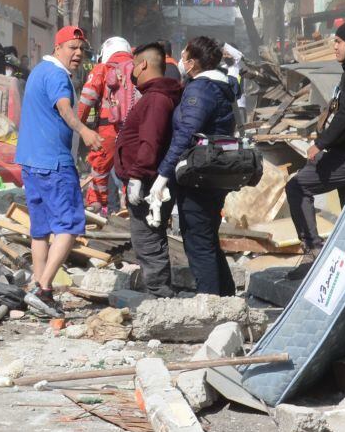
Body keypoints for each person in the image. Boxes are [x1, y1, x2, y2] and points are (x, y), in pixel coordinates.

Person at [13, 25, 103, 318]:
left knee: (40, 229)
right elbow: (64, 108)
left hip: (31, 161)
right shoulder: (57, 76)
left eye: (81, 49)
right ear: (58, 48)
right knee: (70, 224)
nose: (77, 54)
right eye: (72, 48)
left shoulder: (39, 71)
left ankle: (40, 291)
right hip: (54, 163)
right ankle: (43, 287)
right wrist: (85, 131)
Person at [155, 36, 239, 296]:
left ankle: (211, 302)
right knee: (207, 236)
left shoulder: (200, 89)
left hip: (200, 174)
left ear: (192, 63)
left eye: (184, 56)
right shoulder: (222, 85)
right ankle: (227, 297)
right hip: (215, 171)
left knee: (197, 240)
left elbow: (185, 134)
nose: (180, 59)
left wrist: (162, 175)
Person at [286, 21, 345, 272]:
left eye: (338, 42)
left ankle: (314, 252)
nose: (334, 46)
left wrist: (321, 143)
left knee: (298, 186)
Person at [116, 43, 183, 297]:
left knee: (146, 238)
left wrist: (137, 175)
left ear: (143, 64)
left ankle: (158, 293)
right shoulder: (157, 96)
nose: (132, 71)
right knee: (150, 235)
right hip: (149, 179)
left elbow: (150, 140)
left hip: (147, 181)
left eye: (134, 65)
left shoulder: (155, 99)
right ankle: (157, 288)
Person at [77, 37, 137, 215]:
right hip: (133, 129)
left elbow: (87, 98)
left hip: (107, 128)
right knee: (130, 168)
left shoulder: (102, 68)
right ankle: (131, 206)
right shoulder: (137, 67)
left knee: (100, 167)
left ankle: (96, 205)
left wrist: (77, 126)